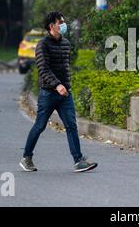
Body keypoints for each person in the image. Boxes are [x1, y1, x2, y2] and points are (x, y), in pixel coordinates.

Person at [20, 11, 97, 173]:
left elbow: (65, 68)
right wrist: (57, 85)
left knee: (71, 125)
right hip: (48, 94)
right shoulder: (43, 44)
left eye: (63, 21)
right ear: (51, 26)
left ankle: (78, 160)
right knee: (40, 125)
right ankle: (26, 157)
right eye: (60, 22)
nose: (63, 24)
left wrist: (66, 85)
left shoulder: (66, 43)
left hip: (65, 94)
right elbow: (43, 69)